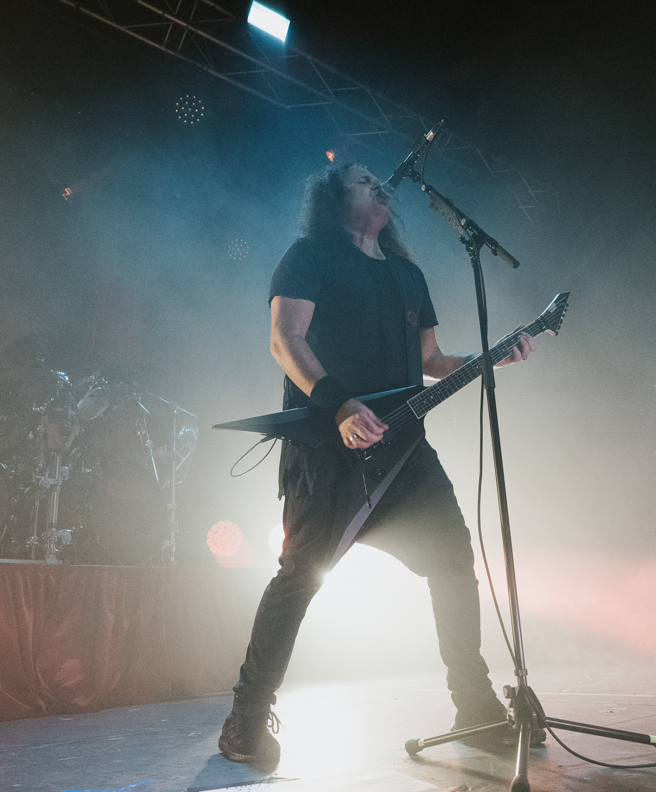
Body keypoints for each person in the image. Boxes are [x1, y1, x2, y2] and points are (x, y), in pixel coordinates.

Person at [217, 162, 537, 765]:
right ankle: (245, 720)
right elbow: (286, 340)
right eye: (364, 180)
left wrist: (495, 356)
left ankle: (474, 706)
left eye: (379, 182)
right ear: (335, 199)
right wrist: (340, 404)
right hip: (327, 452)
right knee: (299, 578)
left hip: (405, 453)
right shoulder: (309, 255)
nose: (380, 187)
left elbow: (432, 361)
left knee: (453, 562)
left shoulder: (408, 275)